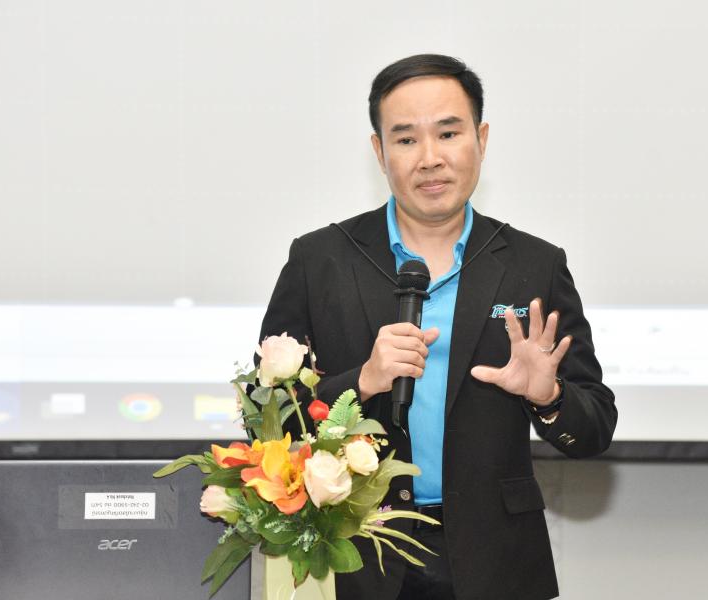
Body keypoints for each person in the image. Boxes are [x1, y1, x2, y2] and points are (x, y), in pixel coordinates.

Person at [255, 54, 616, 600]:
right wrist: (362, 382)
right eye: (406, 139)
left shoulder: (534, 265)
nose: (430, 158)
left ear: (481, 139)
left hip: (495, 562)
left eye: (448, 133)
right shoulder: (320, 260)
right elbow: (265, 421)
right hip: (356, 558)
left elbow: (595, 429)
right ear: (379, 152)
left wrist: (549, 397)